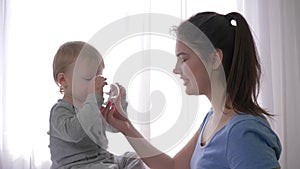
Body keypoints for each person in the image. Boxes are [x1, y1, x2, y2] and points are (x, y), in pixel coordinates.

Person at [102, 12, 282, 169]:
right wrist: (126, 128)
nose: (176, 69)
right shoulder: (213, 118)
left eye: (184, 59)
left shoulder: (241, 132)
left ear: (214, 58)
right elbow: (174, 167)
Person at [48, 41, 145, 169]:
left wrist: (120, 103)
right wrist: (94, 100)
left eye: (98, 77)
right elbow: (74, 133)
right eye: (89, 78)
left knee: (133, 158)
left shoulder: (93, 106)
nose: (95, 84)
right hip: (74, 165)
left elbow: (114, 128)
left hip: (103, 159)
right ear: (63, 80)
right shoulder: (60, 110)